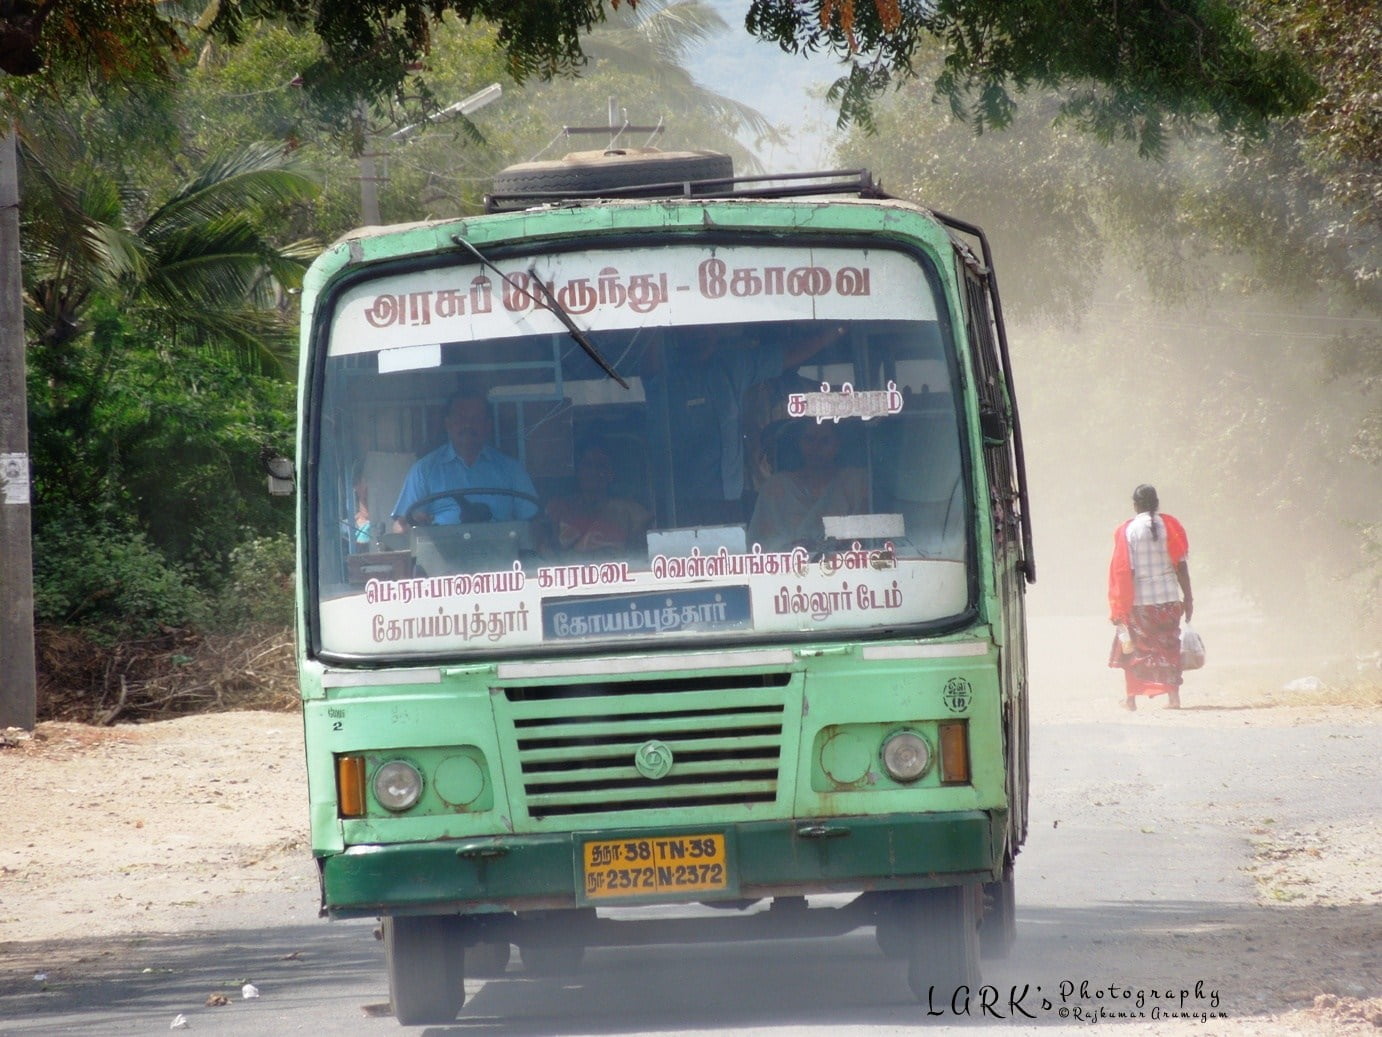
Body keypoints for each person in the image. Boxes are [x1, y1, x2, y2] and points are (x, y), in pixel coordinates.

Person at [643, 323, 847, 527]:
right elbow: (647, 331)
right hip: (676, 506)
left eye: (707, 327)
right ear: (676, 330)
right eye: (692, 328)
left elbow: (786, 355)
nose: (702, 334)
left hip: (729, 505)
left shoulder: (732, 365)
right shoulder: (663, 373)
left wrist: (839, 329)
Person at [391, 392, 539, 529]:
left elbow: (533, 523)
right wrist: (415, 524)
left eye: (476, 419)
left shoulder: (512, 469)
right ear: (448, 424)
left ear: (488, 426)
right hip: (441, 552)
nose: (468, 425)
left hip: (502, 550)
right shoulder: (424, 470)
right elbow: (400, 527)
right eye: (460, 418)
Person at [1107, 484, 1194, 710]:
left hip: (1141, 604)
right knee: (1169, 646)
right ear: (1156, 503)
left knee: (1134, 649)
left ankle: (1131, 698)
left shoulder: (1128, 531)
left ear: (1135, 505)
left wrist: (1120, 606)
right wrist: (1189, 598)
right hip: (1169, 599)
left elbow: (1126, 571)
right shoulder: (1171, 526)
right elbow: (1181, 566)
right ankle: (1173, 697)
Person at [747, 420, 868, 551]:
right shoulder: (775, 487)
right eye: (810, 439)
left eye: (824, 440)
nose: (816, 447)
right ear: (799, 443)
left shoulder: (855, 481)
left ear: (838, 444)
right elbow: (759, 544)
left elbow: (867, 535)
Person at [545, 442, 651, 556]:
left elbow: (641, 555)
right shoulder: (558, 508)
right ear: (578, 471)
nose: (593, 472)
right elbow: (548, 552)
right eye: (588, 465)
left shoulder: (632, 513)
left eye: (601, 466)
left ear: (611, 473)